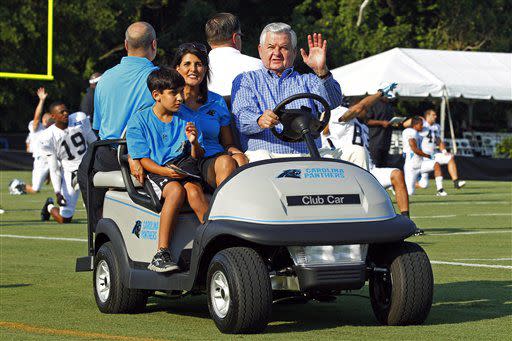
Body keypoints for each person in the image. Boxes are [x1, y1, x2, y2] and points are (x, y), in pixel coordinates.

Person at [127, 67, 209, 272]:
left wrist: (194, 143)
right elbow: (143, 160)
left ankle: (213, 243)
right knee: (175, 190)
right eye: (174, 93)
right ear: (157, 95)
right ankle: (161, 253)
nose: (180, 98)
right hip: (158, 170)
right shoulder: (140, 120)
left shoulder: (187, 118)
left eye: (181, 92)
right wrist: (167, 173)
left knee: (194, 191)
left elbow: (196, 156)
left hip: (183, 167)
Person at [77, 21, 158, 228]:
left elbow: (101, 126)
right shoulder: (160, 79)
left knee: (84, 172)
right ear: (154, 45)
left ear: (125, 45)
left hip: (110, 154)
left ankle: (99, 229)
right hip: (149, 155)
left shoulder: (105, 79)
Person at [232, 23, 343, 161]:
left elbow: (333, 102)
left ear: (294, 53)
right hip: (266, 158)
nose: (277, 53)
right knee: (259, 157)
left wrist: (322, 71)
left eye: (284, 48)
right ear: (260, 50)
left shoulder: (309, 80)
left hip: (308, 157)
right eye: (271, 47)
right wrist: (260, 120)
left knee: (356, 152)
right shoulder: (246, 80)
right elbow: (241, 119)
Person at [320, 84, 410, 218]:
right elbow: (360, 107)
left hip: (368, 169)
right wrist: (380, 94)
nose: (367, 110)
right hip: (351, 170)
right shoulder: (338, 113)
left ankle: (406, 219)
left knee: (396, 174)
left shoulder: (361, 125)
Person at [173, 43, 247, 189]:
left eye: (199, 64)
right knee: (226, 161)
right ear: (177, 68)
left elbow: (228, 143)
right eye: (187, 64)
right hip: (184, 160)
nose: (193, 69)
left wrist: (239, 154)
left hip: (213, 158)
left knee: (239, 160)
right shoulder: (170, 101)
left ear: (205, 69)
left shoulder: (217, 101)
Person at [40, 102, 97, 223]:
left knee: (98, 207)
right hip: (70, 174)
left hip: (89, 168)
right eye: (61, 112)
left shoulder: (79, 118)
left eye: (66, 110)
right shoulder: (48, 136)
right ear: (53, 116)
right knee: (64, 218)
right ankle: (49, 206)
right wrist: (57, 193)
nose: (66, 113)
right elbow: (54, 167)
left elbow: (93, 141)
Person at [205, 12, 263, 97]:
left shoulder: (196, 70)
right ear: (235, 38)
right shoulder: (259, 66)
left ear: (209, 41)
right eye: (240, 36)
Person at [418, 109, 466, 189]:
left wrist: (444, 151)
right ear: (427, 116)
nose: (435, 116)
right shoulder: (421, 124)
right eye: (433, 115)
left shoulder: (436, 126)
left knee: (450, 158)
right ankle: (404, 185)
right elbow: (408, 123)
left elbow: (438, 140)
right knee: (423, 185)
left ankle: (456, 182)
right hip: (423, 156)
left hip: (433, 154)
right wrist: (420, 119)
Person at [402, 116, 447, 196]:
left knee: (436, 164)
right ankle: (393, 185)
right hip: (411, 166)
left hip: (421, 163)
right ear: (415, 125)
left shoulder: (419, 134)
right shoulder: (410, 131)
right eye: (420, 124)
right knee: (410, 193)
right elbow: (414, 149)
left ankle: (440, 190)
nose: (422, 126)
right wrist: (428, 156)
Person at [24, 87, 52, 194]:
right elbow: (36, 117)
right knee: (35, 189)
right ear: (44, 120)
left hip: (52, 159)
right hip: (41, 160)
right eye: (50, 120)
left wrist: (50, 173)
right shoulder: (37, 127)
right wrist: (41, 100)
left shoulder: (53, 130)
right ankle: (17, 186)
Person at [366, 96, 395, 167]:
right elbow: (366, 121)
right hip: (375, 140)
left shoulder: (389, 106)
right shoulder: (373, 104)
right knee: (375, 164)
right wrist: (381, 123)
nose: (389, 98)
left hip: (386, 141)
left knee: (384, 165)